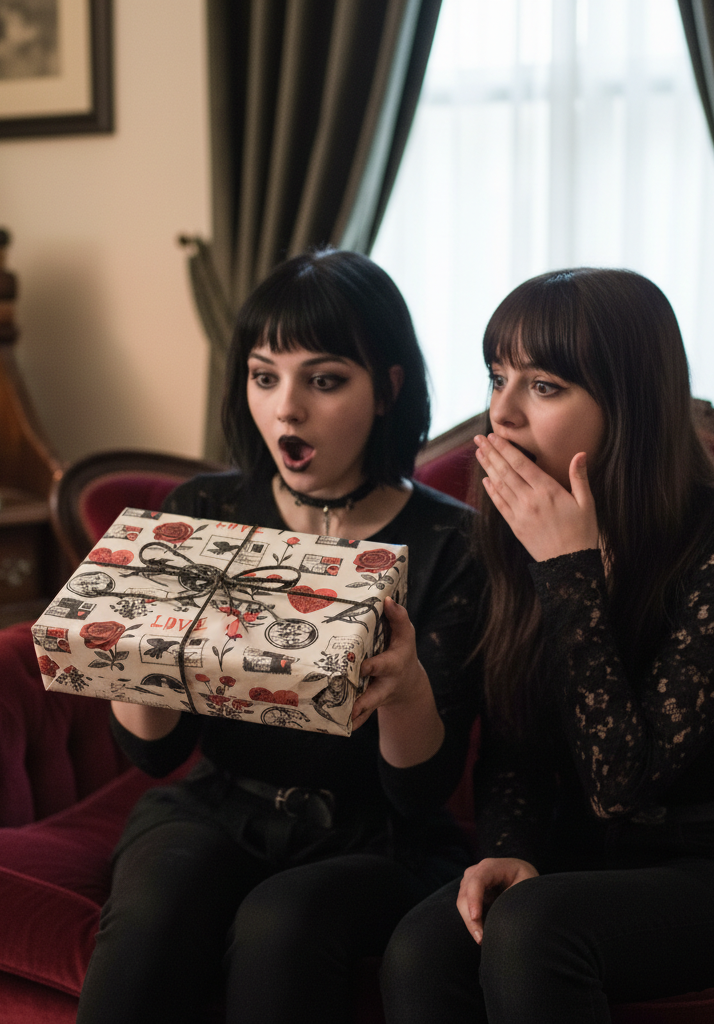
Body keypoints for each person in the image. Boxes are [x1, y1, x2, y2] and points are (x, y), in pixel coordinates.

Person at [380, 268, 714, 1024]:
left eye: (544, 386)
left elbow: (623, 785)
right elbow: (514, 748)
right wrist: (510, 850)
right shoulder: (511, 531)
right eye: (498, 378)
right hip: (576, 865)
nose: (502, 412)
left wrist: (569, 571)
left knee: (532, 930)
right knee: (422, 947)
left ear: (629, 404)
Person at [76, 249, 482, 1024]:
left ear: (388, 389)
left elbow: (420, 791)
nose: (286, 410)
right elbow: (155, 752)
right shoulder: (203, 512)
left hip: (377, 838)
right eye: (265, 377)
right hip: (215, 806)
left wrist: (404, 692)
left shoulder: (451, 544)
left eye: (323, 381)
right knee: (157, 909)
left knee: (281, 924)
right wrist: (136, 648)